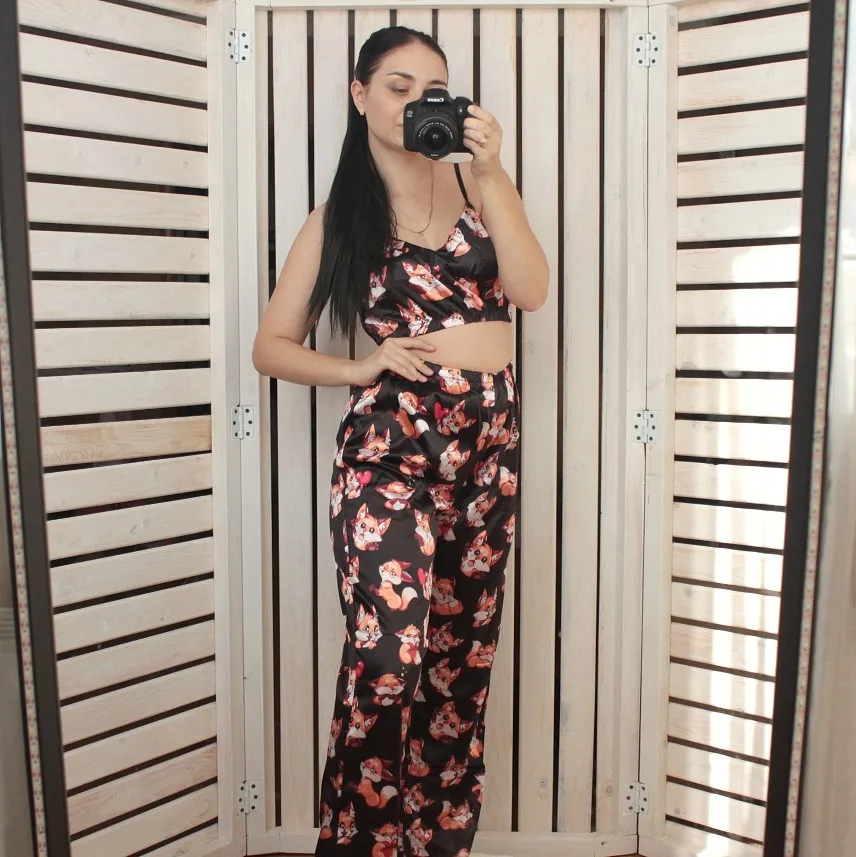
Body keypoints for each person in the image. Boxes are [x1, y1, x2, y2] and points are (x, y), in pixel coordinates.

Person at [253, 25, 548, 857]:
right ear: (360, 95)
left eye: (431, 91)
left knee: (459, 667)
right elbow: (270, 345)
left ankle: (436, 846)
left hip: (487, 448)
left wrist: (492, 168)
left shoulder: (480, 188)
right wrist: (361, 366)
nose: (415, 103)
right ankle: (359, 846)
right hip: (389, 449)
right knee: (388, 657)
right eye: (397, 86)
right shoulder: (339, 220)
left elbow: (531, 290)